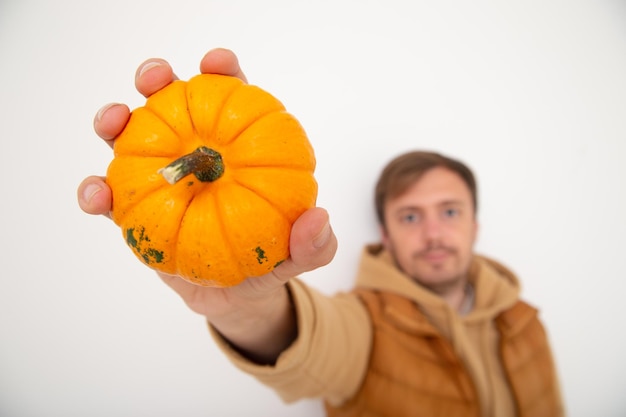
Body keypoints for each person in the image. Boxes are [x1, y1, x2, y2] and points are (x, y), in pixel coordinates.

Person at [77, 48, 565, 417]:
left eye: (450, 212)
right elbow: (319, 352)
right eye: (411, 216)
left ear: (476, 225)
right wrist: (250, 311)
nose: (434, 232)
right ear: (387, 234)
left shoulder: (526, 322)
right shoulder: (366, 325)